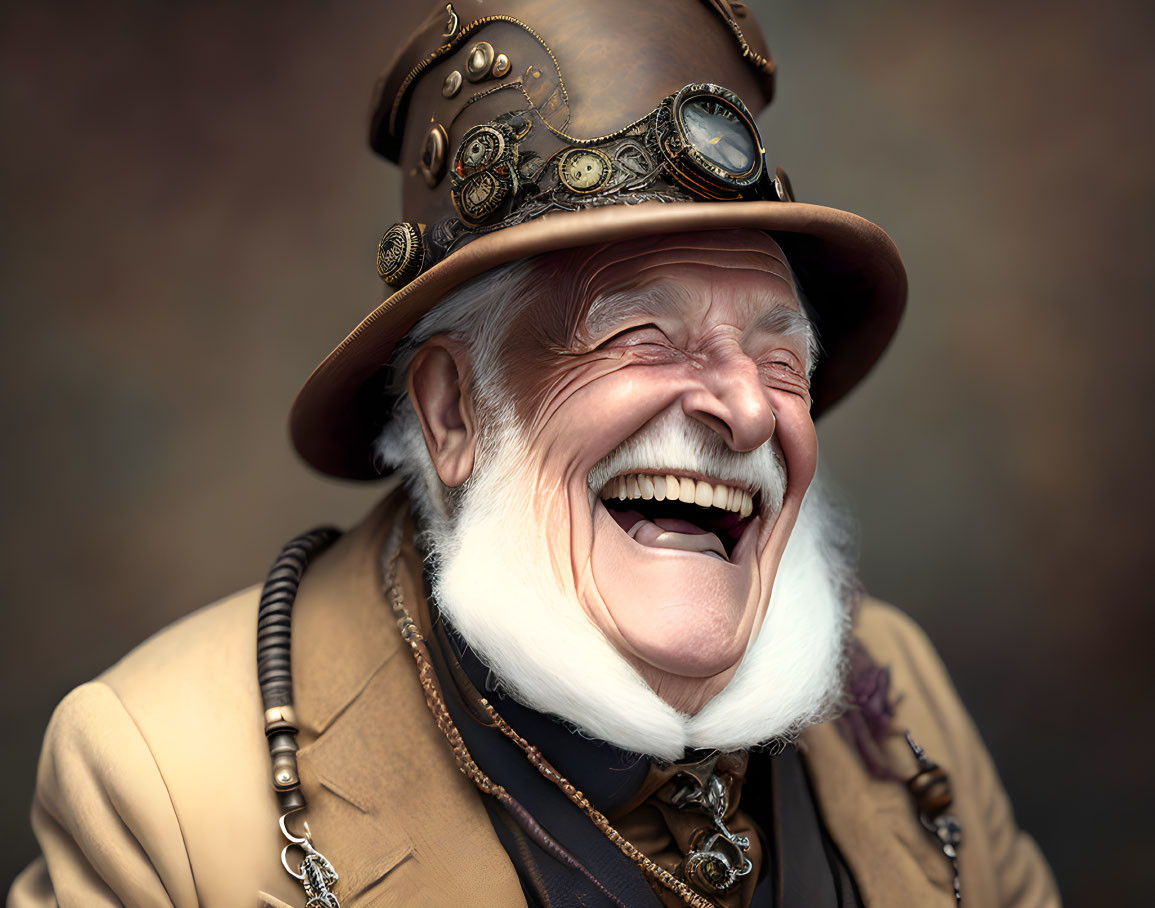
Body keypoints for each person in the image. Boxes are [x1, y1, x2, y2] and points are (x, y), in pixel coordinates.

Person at [8, 1, 1059, 905]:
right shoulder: (159, 777)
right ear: (455, 413)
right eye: (643, 337)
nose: (747, 411)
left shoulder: (899, 687)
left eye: (780, 358)